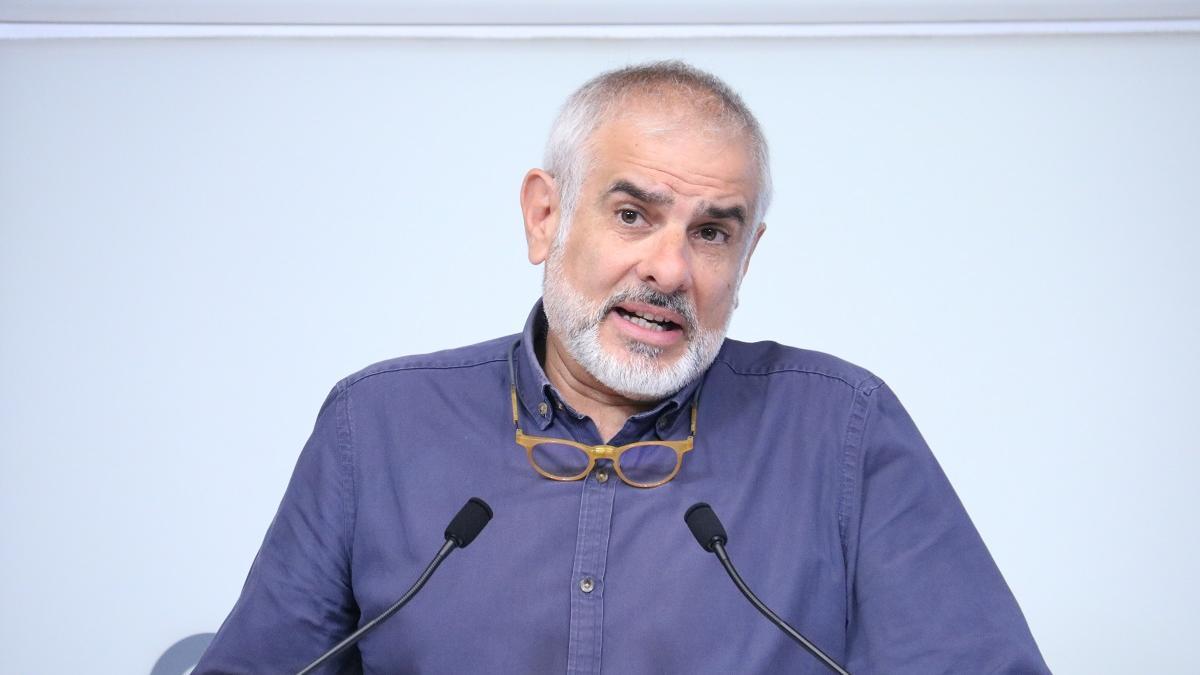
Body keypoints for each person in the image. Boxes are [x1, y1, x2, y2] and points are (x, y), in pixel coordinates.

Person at [194, 61, 1049, 674]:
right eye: (634, 213)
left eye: (712, 232)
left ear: (746, 258)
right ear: (544, 218)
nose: (671, 271)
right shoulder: (374, 426)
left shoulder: (843, 429)